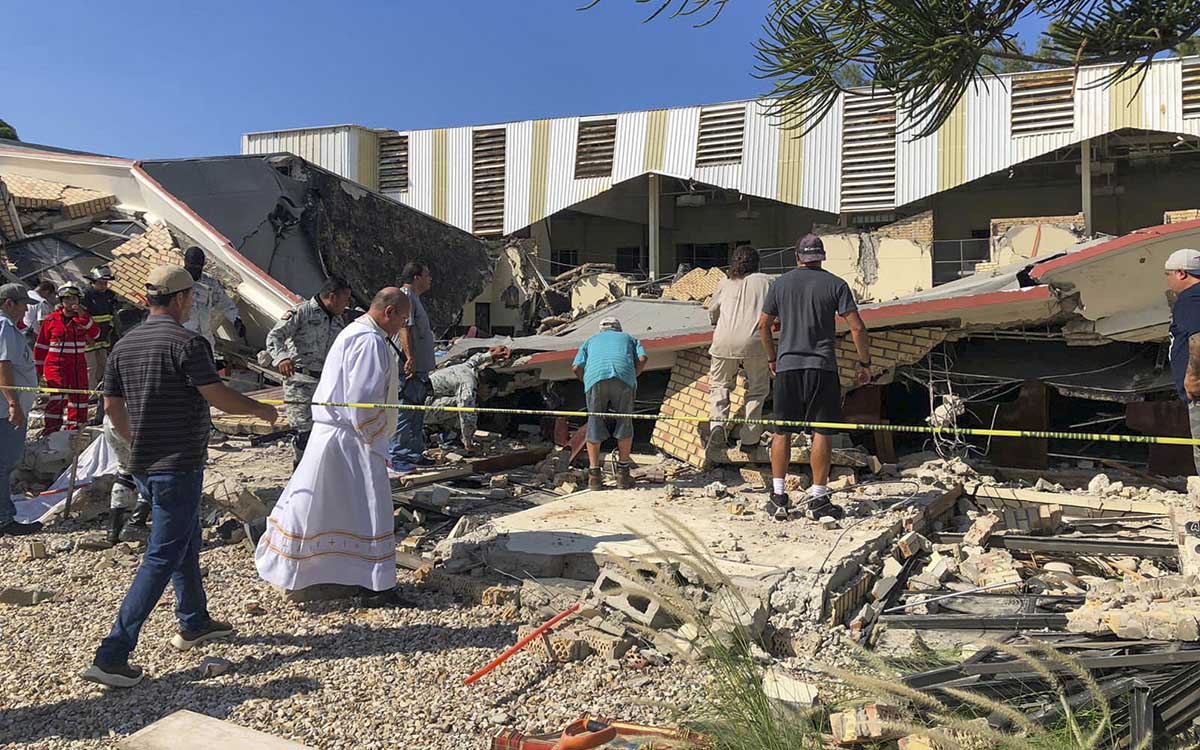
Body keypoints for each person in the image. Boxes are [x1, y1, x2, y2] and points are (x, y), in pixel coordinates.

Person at [83, 265, 278, 688]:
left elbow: (113, 407)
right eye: (191, 296)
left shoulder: (124, 345)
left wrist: (139, 440)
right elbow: (218, 397)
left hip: (145, 465)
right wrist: (261, 409)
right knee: (162, 554)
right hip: (177, 464)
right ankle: (112, 653)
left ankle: (194, 620)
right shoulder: (188, 343)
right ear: (180, 299)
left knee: (185, 537)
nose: (193, 303)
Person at [255, 288, 410, 606]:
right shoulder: (369, 340)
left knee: (325, 506)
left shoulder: (354, 330)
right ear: (389, 311)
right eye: (403, 319)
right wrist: (377, 438)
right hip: (352, 439)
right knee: (369, 510)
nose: (402, 327)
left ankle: (337, 574)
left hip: (335, 435)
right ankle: (376, 585)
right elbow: (363, 399)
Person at [758, 234, 872, 522]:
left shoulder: (780, 284)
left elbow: (762, 326)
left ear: (797, 256)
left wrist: (772, 357)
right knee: (823, 431)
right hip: (822, 367)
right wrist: (864, 363)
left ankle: (779, 497)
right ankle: (819, 499)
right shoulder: (836, 285)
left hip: (787, 367)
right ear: (821, 257)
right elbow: (857, 328)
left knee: (782, 430)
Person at [265, 276, 353, 466]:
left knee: (323, 433)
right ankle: (300, 477)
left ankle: (318, 477)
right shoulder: (302, 312)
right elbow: (275, 336)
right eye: (345, 299)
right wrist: (282, 358)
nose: (347, 304)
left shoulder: (338, 320)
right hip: (301, 383)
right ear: (332, 297)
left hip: (326, 385)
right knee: (303, 434)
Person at [707, 245, 773, 452]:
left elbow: (712, 312)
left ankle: (717, 426)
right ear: (757, 263)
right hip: (755, 342)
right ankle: (750, 438)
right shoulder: (768, 282)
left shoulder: (725, 283)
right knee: (757, 390)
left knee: (720, 385)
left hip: (723, 341)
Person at [571, 317, 647, 490]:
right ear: (618, 329)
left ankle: (594, 478)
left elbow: (575, 367)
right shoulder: (629, 338)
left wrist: (587, 382)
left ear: (601, 330)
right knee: (624, 424)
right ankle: (623, 477)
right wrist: (633, 376)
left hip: (594, 379)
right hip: (624, 379)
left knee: (594, 425)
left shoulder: (590, 341)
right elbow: (643, 358)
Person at [0, 283, 43, 537]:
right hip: (5, 410)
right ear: (9, 303)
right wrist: (14, 404)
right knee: (4, 464)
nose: (26, 309)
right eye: (23, 304)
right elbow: (3, 364)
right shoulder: (4, 326)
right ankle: (4, 519)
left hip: (6, 408)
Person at [388, 261, 436, 474]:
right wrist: (409, 357)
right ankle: (398, 456)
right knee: (405, 411)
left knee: (416, 412)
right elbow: (404, 328)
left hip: (419, 369)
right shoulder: (406, 297)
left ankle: (413, 453)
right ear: (417, 277)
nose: (430, 279)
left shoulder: (414, 299)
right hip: (409, 368)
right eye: (427, 275)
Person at [34, 282, 99, 433]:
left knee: (80, 397)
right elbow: (41, 346)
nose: (71, 302)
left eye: (74, 299)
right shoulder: (51, 320)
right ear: (61, 301)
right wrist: (38, 369)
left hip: (77, 365)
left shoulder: (83, 319)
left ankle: (75, 429)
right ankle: (51, 430)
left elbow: (96, 334)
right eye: (67, 299)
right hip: (55, 365)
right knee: (58, 396)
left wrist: (83, 317)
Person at [426, 346, 510, 451]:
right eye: (488, 390)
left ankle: (444, 434)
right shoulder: (468, 385)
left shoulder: (468, 368)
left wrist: (491, 355)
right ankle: (450, 439)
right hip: (423, 410)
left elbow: (476, 359)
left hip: (426, 400)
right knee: (467, 407)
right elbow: (467, 416)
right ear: (484, 385)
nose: (488, 394)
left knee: (462, 404)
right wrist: (468, 442)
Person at [1166, 248, 1200, 474]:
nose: (1167, 280)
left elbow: (1198, 338)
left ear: (1181, 273)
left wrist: (1193, 377)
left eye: (1167, 274)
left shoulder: (1190, 300)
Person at [181, 246, 244, 358]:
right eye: (192, 267)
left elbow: (225, 302)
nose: (195, 271)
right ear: (185, 263)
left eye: (198, 267)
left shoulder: (210, 283)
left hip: (205, 340)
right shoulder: (177, 282)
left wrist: (236, 319)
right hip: (183, 340)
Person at [82, 265, 127, 390]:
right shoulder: (85, 295)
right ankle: (91, 394)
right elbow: (80, 319)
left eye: (106, 283)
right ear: (93, 282)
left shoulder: (109, 295)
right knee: (91, 367)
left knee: (103, 366)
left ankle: (101, 393)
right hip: (89, 338)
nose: (104, 286)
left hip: (104, 337)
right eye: (101, 283)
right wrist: (86, 336)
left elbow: (112, 315)